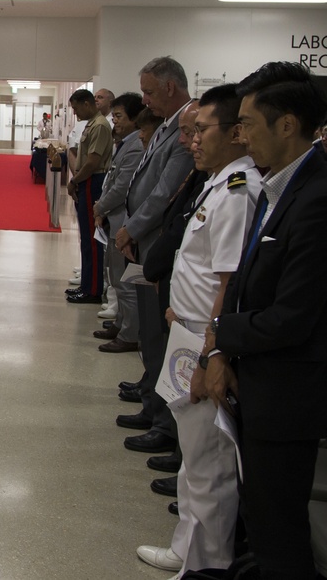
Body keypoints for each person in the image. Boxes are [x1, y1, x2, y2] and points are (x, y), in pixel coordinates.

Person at [201, 62, 327, 579]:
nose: (240, 135)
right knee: (264, 515)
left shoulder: (316, 200)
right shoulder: (280, 186)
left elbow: (293, 316)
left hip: (288, 392)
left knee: (280, 527)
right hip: (257, 381)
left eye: (248, 123)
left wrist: (218, 336)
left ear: (288, 125)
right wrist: (222, 351)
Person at [136, 83, 259, 576]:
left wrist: (212, 350)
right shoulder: (217, 182)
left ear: (235, 134)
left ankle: (205, 563)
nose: (193, 140)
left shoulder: (236, 192)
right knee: (194, 455)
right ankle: (188, 547)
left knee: (208, 462)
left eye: (203, 130)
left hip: (205, 343)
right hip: (188, 332)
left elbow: (228, 282)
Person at [116, 56, 196, 455]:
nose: (144, 100)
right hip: (145, 240)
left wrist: (133, 227)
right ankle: (152, 399)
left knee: (161, 337)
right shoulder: (167, 125)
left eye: (148, 91)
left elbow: (164, 192)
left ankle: (163, 421)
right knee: (150, 332)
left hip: (156, 241)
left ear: (169, 87)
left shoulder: (185, 127)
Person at [92, 92, 145, 352]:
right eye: (114, 116)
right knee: (115, 278)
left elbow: (122, 186)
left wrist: (100, 206)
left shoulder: (136, 145)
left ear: (136, 119)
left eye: (120, 116)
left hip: (122, 221)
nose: (115, 121)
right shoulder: (126, 142)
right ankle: (121, 323)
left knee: (124, 283)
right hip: (113, 220)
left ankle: (129, 334)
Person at [65, 89, 112, 303]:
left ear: (86, 103)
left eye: (76, 108)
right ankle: (86, 284)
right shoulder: (92, 124)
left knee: (92, 239)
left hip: (93, 180)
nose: (75, 113)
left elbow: (92, 162)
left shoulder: (100, 125)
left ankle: (92, 290)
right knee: (86, 238)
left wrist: (75, 180)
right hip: (88, 180)